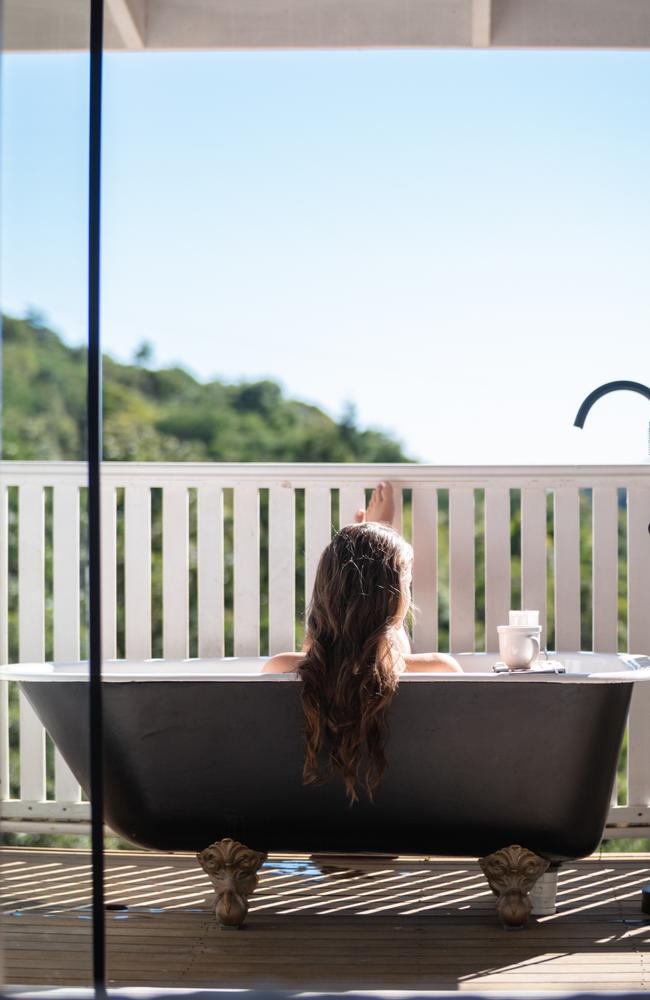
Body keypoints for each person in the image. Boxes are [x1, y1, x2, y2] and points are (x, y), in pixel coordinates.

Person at [263, 482, 462, 802]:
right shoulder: (441, 670)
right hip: (420, 821)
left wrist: (357, 546)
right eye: (406, 583)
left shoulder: (281, 668)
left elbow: (320, 653)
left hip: (307, 828)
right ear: (396, 598)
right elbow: (389, 661)